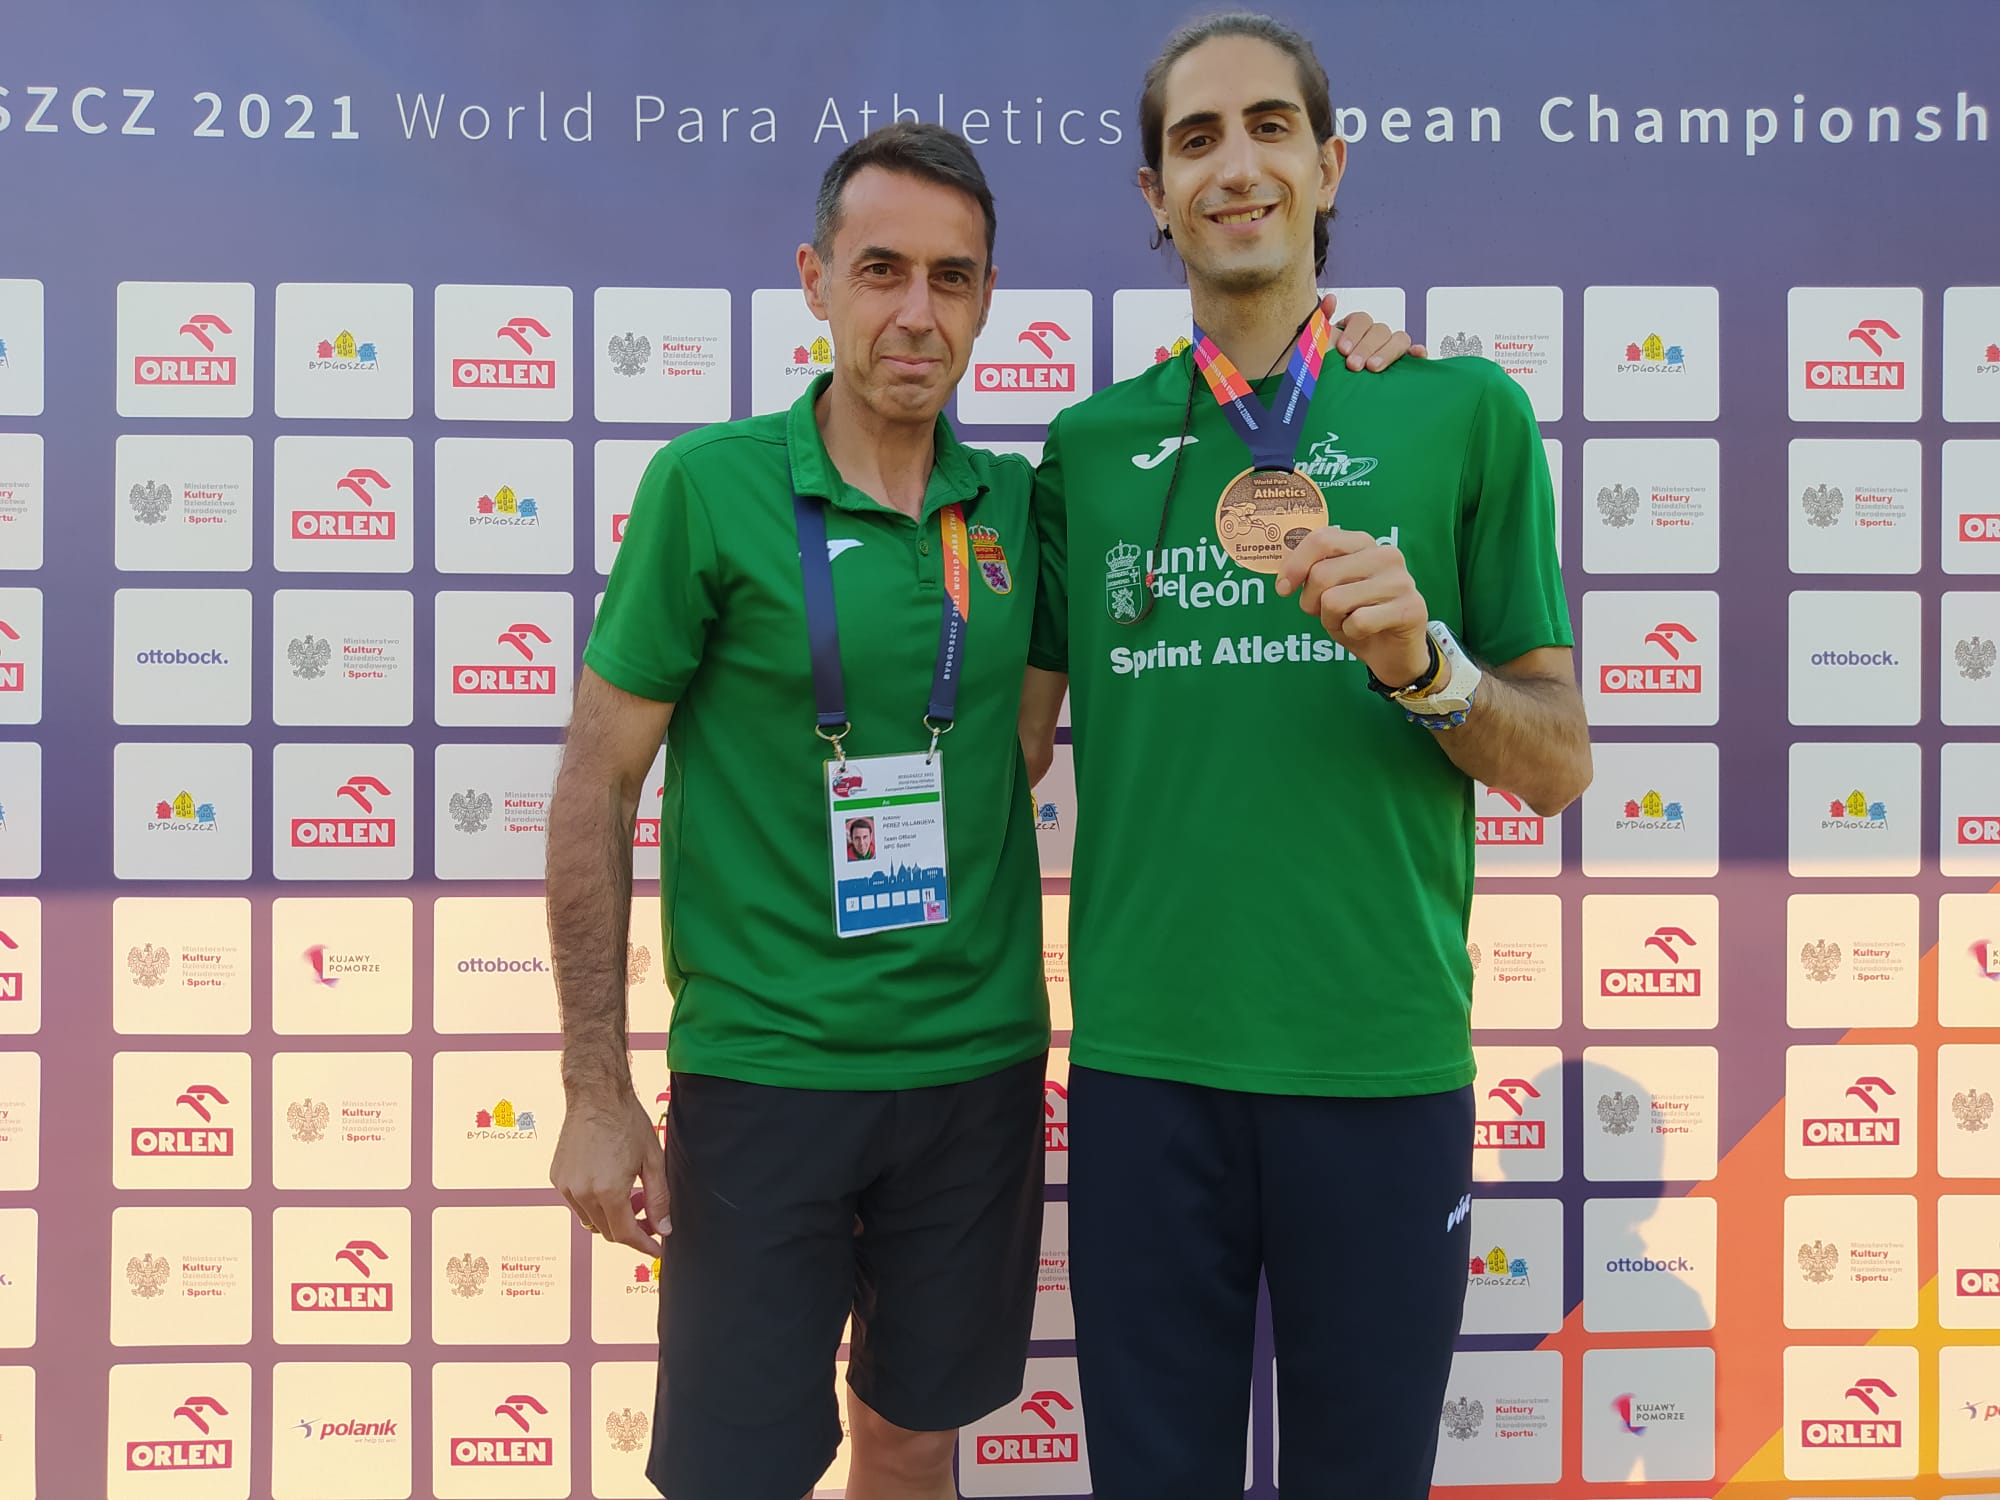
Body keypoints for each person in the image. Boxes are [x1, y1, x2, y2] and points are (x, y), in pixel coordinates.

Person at [545, 121, 1414, 1500]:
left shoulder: (1026, 501)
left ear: (987, 299)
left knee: (915, 1440)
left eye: (952, 278)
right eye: (880, 269)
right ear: (815, 280)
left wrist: (1356, 355)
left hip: (976, 1075)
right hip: (768, 1071)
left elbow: (1210, 520)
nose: (914, 311)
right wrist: (595, 1089)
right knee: (736, 1471)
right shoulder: (707, 491)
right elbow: (597, 778)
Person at [1019, 13, 1593, 1499]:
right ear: (1154, 193)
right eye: (1196, 138)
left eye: (1270, 127)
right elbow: (1001, 747)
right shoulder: (1083, 451)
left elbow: (1555, 762)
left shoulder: (1460, 411)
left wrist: (1427, 664)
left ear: (1328, 166)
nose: (1236, 164)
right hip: (1149, 1071)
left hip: (1379, 1061)